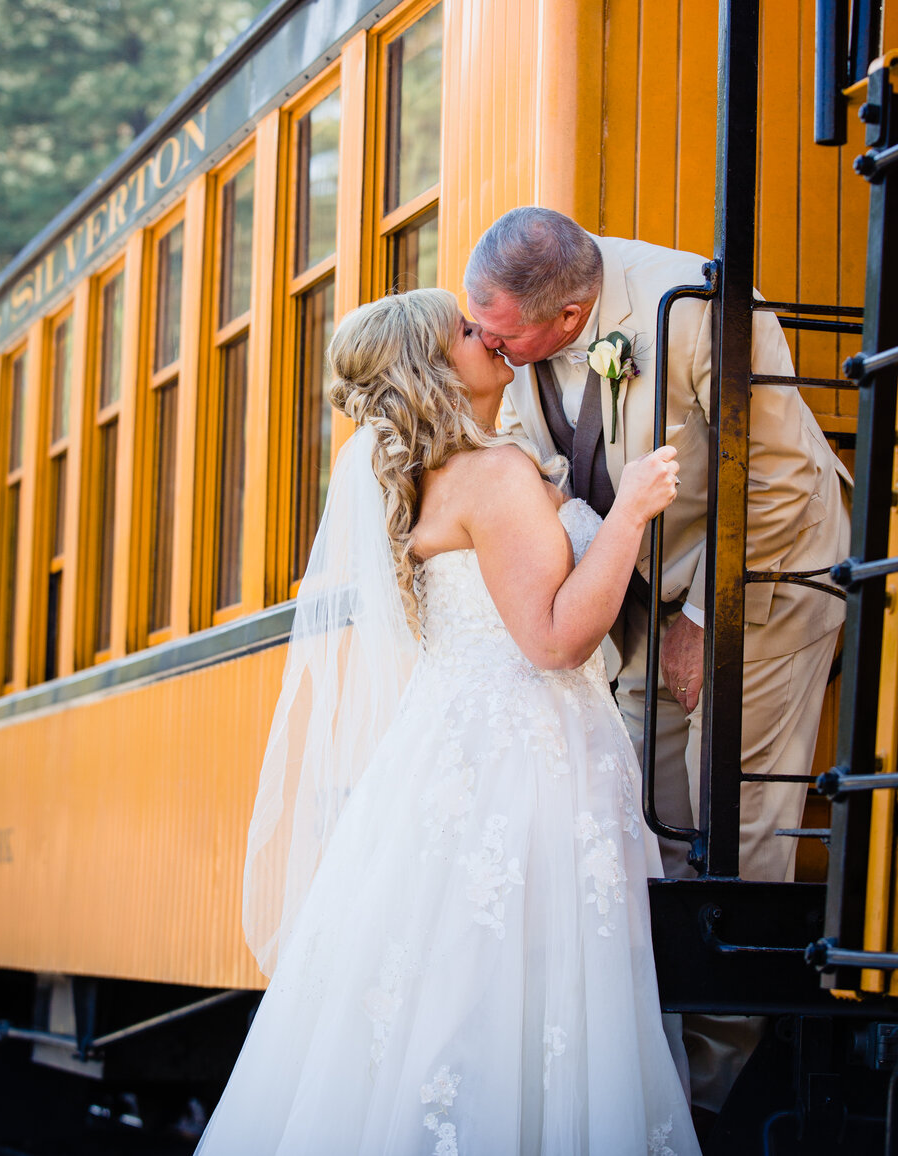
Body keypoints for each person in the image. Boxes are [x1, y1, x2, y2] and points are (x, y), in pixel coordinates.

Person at [196, 288, 699, 1156]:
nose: (489, 333)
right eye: (467, 330)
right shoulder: (496, 476)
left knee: (456, 992)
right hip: (530, 759)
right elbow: (551, 642)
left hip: (451, 754)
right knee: (537, 990)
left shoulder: (429, 482)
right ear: (435, 369)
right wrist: (630, 512)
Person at [464, 206, 851, 1112]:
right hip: (638, 604)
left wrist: (706, 618)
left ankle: (703, 1105)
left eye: (499, 330)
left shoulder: (700, 306)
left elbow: (786, 481)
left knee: (735, 833)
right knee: (646, 832)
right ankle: (645, 1076)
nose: (480, 341)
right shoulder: (518, 340)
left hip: (761, 588)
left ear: (568, 319)